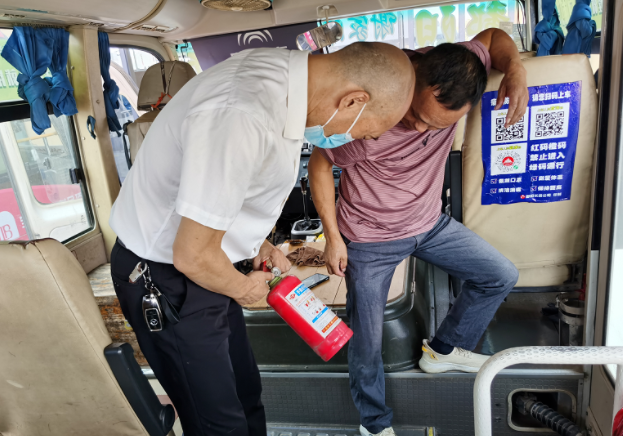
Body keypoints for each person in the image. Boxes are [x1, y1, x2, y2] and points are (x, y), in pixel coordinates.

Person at [109, 42, 414, 436]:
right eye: (365, 132)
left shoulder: (284, 82)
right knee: (218, 422)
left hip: (210, 264)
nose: (354, 139)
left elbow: (226, 193)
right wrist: (243, 289)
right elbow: (192, 254)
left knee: (245, 394)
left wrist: (256, 243)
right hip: (167, 277)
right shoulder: (240, 113)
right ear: (353, 101)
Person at [308, 29, 529, 436]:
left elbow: (494, 38)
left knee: (500, 275)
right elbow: (320, 164)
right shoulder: (374, 111)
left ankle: (443, 350)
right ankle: (374, 424)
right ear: (413, 79)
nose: (421, 129)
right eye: (416, 117)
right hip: (369, 239)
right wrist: (333, 237)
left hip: (429, 224)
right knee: (367, 341)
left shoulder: (458, 66)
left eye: (437, 126)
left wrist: (515, 70)